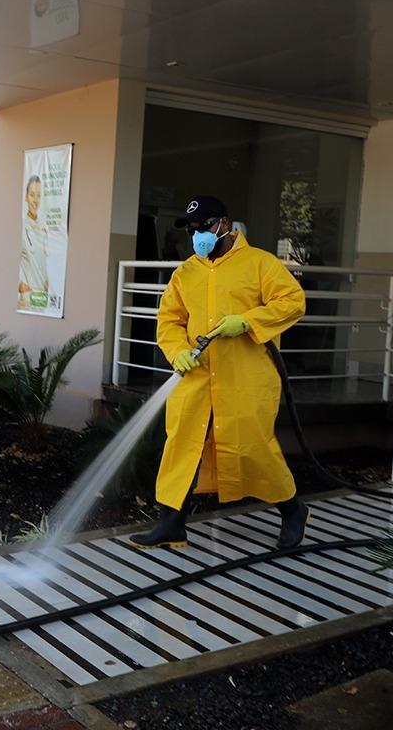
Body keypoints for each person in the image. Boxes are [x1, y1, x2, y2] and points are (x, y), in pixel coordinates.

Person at [130, 196, 310, 550]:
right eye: (192, 229)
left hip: (246, 378)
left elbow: (292, 301)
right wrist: (177, 351)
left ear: (224, 225)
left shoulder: (260, 264)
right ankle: (171, 525)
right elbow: (169, 319)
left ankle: (293, 510)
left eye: (204, 227)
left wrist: (247, 321)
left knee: (254, 449)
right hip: (195, 376)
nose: (198, 235)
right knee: (182, 445)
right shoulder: (186, 272)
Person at [18, 174, 50, 308]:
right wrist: (19, 284)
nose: (35, 200)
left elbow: (44, 261)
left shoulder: (44, 228)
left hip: (41, 298)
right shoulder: (21, 226)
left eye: (38, 195)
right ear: (26, 197)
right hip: (26, 299)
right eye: (32, 195)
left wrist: (48, 282)